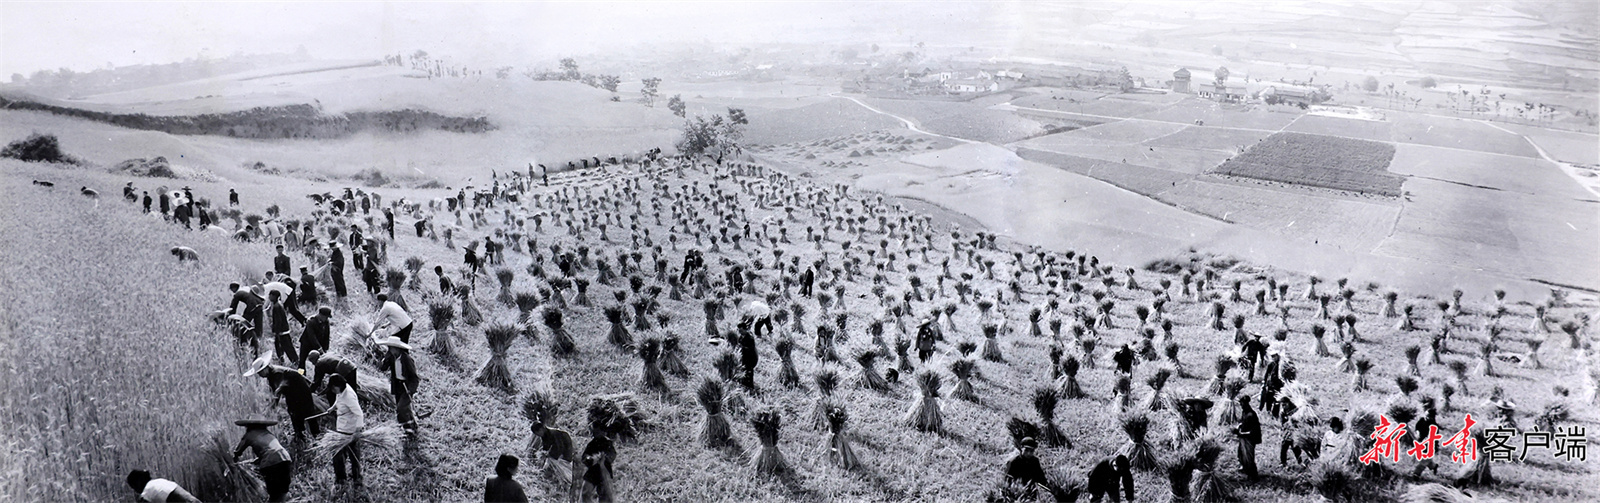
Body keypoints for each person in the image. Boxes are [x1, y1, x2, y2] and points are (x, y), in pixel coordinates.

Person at [307, 374, 364, 484]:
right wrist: (332, 408)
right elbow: (339, 400)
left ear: (339, 385)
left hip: (349, 430)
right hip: (341, 427)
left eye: (333, 388)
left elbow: (359, 414)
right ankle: (341, 478)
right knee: (338, 453)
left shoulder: (349, 396)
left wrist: (357, 431)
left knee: (352, 455)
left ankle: (356, 477)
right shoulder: (342, 391)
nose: (332, 390)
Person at [246, 356, 323, 438]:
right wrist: (270, 406)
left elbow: (279, 390)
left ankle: (316, 435)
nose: (260, 375)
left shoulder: (277, 373)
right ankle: (300, 435)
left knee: (308, 413)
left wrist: (272, 406)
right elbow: (274, 392)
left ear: (265, 368)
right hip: (291, 393)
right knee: (293, 413)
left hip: (301, 391)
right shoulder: (270, 376)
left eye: (260, 373)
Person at [233, 419, 294, 502]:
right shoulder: (268, 434)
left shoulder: (249, 434)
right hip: (285, 459)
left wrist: (234, 461)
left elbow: (238, 451)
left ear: (249, 426)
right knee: (283, 490)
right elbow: (272, 449)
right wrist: (258, 460)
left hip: (271, 463)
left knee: (274, 492)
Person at [377, 336, 420, 435]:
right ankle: (412, 426)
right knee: (405, 407)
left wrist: (411, 390)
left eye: (391, 348)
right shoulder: (391, 357)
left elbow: (414, 378)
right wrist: (384, 359)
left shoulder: (406, 359)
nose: (390, 350)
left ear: (397, 348)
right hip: (397, 385)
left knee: (401, 408)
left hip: (406, 386)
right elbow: (383, 368)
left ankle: (407, 429)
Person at [578, 421, 617, 503]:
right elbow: (584, 458)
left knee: (605, 497)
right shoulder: (592, 444)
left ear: (601, 430)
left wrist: (603, 459)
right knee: (585, 493)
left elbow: (612, 456)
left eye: (595, 429)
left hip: (604, 471)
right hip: (593, 472)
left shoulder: (607, 443)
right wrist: (591, 459)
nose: (593, 432)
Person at [229, 283, 266, 355]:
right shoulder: (245, 288)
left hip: (252, 306)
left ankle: (243, 340)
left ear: (233, 288)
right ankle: (259, 342)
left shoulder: (237, 294)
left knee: (243, 324)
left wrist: (230, 317)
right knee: (258, 326)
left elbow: (233, 307)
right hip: (259, 305)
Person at [126, 470, 199, 502]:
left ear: (138, 483)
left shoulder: (146, 492)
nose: (135, 491)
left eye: (133, 487)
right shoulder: (159, 481)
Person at [1235, 395, 1261, 480]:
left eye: (1241, 403)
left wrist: (1242, 434)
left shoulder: (1251, 414)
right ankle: (1245, 469)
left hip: (1250, 438)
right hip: (1244, 437)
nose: (1241, 405)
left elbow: (1253, 431)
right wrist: (1239, 426)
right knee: (1240, 454)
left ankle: (1253, 475)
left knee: (1249, 457)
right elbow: (1243, 422)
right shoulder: (1244, 412)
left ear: (1245, 403)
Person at [267, 291, 296, 364]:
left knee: (288, 349)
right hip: (283, 330)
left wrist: (277, 332)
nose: (269, 297)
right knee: (281, 348)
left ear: (274, 296)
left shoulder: (276, 306)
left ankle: (296, 363)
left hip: (281, 332)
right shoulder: (279, 303)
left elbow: (278, 321)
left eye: (270, 295)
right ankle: (282, 361)